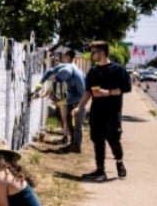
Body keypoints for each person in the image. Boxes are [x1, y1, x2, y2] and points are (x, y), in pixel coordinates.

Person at [75, 40, 131, 182]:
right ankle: (100, 170)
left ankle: (119, 162)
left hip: (112, 111)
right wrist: (79, 107)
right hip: (97, 111)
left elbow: (125, 89)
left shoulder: (118, 70)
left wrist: (108, 92)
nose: (91, 55)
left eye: (93, 52)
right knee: (97, 140)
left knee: (113, 139)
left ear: (102, 53)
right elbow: (88, 92)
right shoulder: (93, 71)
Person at [37, 49, 87, 153]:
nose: (60, 81)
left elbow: (81, 95)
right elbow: (49, 72)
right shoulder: (63, 67)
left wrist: (64, 102)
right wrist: (40, 83)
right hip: (70, 97)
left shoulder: (78, 78)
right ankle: (71, 143)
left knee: (78, 123)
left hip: (80, 99)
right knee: (68, 120)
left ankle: (77, 146)